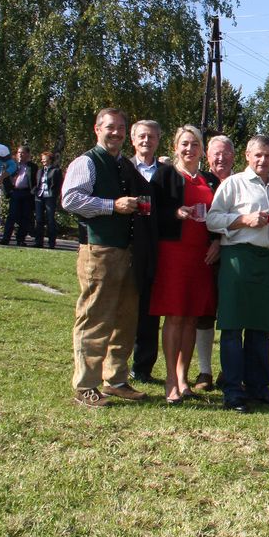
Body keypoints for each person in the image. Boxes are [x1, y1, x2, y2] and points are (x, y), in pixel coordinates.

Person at [61, 108, 148, 407]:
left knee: (125, 317)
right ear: (97, 129)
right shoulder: (87, 161)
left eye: (121, 128)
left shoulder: (122, 163)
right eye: (111, 127)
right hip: (98, 250)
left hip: (126, 250)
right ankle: (85, 385)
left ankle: (116, 379)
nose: (117, 133)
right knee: (95, 316)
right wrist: (112, 205)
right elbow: (70, 199)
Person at [206, 135, 269, 413]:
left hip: (267, 261)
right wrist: (243, 219)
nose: (263, 160)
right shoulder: (234, 184)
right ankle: (232, 390)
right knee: (232, 327)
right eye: (258, 155)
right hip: (238, 258)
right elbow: (212, 219)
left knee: (261, 328)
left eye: (268, 156)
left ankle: (258, 387)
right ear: (247, 156)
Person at [149, 125, 220, 404]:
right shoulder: (165, 174)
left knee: (191, 316)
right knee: (175, 316)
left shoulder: (208, 180)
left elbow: (218, 215)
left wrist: (216, 240)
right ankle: (169, 379)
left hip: (200, 255)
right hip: (174, 252)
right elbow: (153, 210)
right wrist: (175, 212)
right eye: (185, 144)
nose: (189, 149)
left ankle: (183, 378)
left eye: (195, 145)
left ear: (202, 150)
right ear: (175, 147)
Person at [193, 134, 235, 391]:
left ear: (234, 155)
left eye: (225, 153)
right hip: (204, 256)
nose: (220, 158)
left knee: (231, 315)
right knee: (204, 314)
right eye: (215, 153)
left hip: (232, 255)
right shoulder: (199, 181)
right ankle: (204, 372)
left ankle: (228, 371)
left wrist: (221, 240)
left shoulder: (242, 182)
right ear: (207, 156)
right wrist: (212, 242)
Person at [127, 120, 163, 385]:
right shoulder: (123, 168)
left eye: (151, 136)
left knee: (150, 311)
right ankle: (116, 366)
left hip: (159, 248)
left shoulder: (167, 173)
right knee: (124, 307)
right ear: (133, 138)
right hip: (128, 246)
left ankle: (143, 367)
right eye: (142, 136)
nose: (146, 141)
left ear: (158, 140)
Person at [0, 146, 38, 246]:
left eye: (23, 153)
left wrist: (33, 192)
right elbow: (5, 178)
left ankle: (20, 239)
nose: (20, 154)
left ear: (28, 154)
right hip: (15, 193)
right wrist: (9, 192)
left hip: (27, 194)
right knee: (12, 216)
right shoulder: (13, 166)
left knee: (25, 217)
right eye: (19, 153)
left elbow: (35, 181)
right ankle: (5, 238)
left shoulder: (32, 167)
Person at [33, 152, 63, 248]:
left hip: (50, 197)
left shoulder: (56, 171)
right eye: (42, 159)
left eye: (44, 159)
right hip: (39, 196)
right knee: (39, 219)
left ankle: (51, 243)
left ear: (50, 159)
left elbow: (59, 185)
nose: (42, 161)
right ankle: (38, 242)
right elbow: (36, 183)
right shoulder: (40, 171)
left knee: (50, 219)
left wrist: (56, 195)